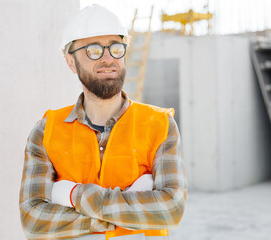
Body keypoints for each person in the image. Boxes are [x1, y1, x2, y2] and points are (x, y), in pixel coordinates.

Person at [19, 4, 187, 240]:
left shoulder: (159, 125)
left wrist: (71, 195)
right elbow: (34, 221)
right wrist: (130, 207)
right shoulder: (46, 130)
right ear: (71, 62)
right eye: (93, 50)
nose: (108, 58)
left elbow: (171, 209)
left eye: (116, 48)